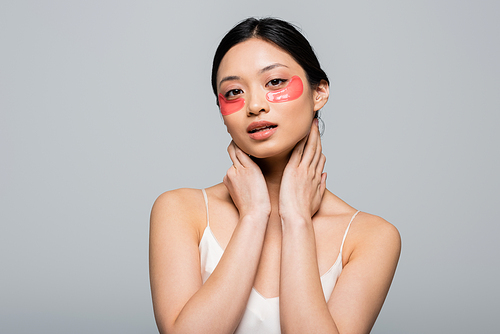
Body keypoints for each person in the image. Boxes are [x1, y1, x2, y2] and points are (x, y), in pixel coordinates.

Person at [149, 17, 401, 334]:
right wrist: (254, 215)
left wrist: (297, 219)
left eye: (275, 83)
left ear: (319, 92)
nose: (254, 105)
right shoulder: (181, 211)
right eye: (234, 92)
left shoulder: (370, 237)